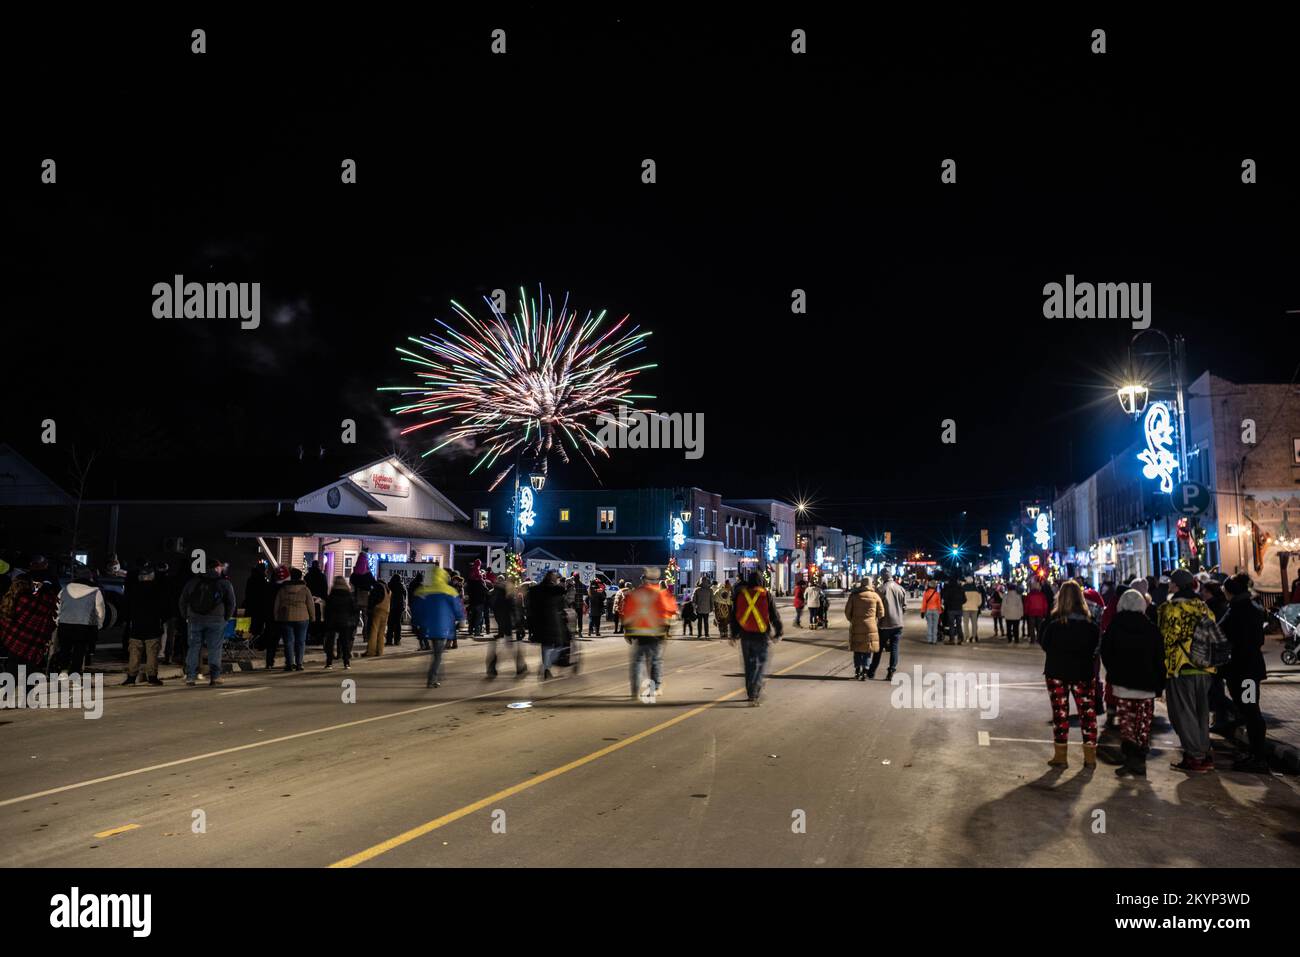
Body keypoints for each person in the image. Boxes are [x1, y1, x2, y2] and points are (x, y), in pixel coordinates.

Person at [1158, 568, 1219, 773]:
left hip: (1180, 667)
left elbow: (1166, 638)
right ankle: (1204, 752)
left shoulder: (1170, 608)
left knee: (1183, 714)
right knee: (1202, 713)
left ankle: (1195, 756)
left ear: (1176, 585)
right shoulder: (1203, 607)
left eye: (1171, 582)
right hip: (1204, 666)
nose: (1169, 585)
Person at [1100, 588, 1165, 777]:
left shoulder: (1115, 627)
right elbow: (1159, 658)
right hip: (1146, 686)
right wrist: (1160, 683)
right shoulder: (1151, 628)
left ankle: (1130, 759)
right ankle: (1140, 760)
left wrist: (1114, 671)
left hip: (1122, 685)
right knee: (1143, 724)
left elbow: (1106, 653)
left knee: (1127, 724)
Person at [1039, 580, 1102, 768]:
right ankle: (1090, 757)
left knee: (1060, 714)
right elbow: (1095, 647)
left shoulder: (1053, 621)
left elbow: (1044, 643)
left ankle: (1061, 756)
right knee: (1088, 715)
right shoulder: (1090, 623)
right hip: (1083, 672)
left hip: (1057, 671)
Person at [1218, 573, 1269, 773]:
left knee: (1250, 710)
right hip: (1249, 668)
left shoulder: (1237, 611)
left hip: (1244, 670)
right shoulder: (1253, 608)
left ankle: (1258, 756)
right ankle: (1255, 753)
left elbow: (1222, 633)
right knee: (1248, 709)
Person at [623, 567, 677, 703]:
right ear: (657, 580)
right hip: (656, 634)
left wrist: (627, 632)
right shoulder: (662, 594)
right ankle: (653, 690)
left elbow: (628, 614)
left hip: (638, 634)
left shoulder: (635, 593)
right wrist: (667, 630)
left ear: (644, 579)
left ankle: (634, 692)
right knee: (655, 662)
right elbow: (671, 612)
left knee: (637, 663)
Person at [180, 561, 237, 686]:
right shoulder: (224, 583)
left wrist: (187, 617)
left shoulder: (193, 582)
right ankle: (215, 677)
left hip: (195, 620)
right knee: (214, 648)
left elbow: (183, 601)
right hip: (216, 620)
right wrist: (225, 618)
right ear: (216, 568)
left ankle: (190, 677)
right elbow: (231, 603)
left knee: (194, 648)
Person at [730, 569, 782, 705]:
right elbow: (774, 615)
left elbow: (734, 615)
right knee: (762, 663)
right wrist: (778, 631)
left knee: (749, 665)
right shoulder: (765, 594)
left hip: (745, 634)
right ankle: (756, 689)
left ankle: (750, 693)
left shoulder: (741, 594)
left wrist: (733, 634)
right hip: (761, 635)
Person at [410, 566, 465, 688]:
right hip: (442, 627)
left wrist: (414, 624)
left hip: (426, 626)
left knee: (437, 652)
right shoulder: (449, 592)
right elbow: (457, 608)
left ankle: (438, 674)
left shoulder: (423, 591)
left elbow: (416, 610)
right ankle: (432, 679)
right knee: (437, 654)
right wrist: (461, 620)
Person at [0, 576, 59, 675]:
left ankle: (9, 688)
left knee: (12, 667)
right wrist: (44, 587)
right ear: (30, 585)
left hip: (13, 642)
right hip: (33, 644)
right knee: (29, 671)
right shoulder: (38, 601)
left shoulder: (11, 599)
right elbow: (50, 601)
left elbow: (6, 622)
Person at [56, 568, 105, 681]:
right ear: (90, 578)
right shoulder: (95, 591)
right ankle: (75, 674)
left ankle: (63, 671)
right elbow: (100, 610)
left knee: (65, 648)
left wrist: (57, 620)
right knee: (79, 650)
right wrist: (99, 624)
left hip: (65, 623)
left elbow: (58, 606)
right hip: (85, 625)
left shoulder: (64, 589)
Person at [122, 563, 166, 686]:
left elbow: (126, 607)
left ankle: (131, 677)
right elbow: (163, 608)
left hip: (136, 625)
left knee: (134, 652)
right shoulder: (158, 589)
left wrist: (128, 620)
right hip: (153, 625)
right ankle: (152, 677)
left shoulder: (133, 589)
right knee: (152, 652)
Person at [527, 570, 570, 680]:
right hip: (551, 621)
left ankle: (546, 669)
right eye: (555, 577)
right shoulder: (554, 589)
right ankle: (546, 666)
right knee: (559, 645)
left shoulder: (537, 590)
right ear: (552, 578)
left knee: (545, 646)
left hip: (539, 622)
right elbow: (561, 594)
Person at [273, 567, 315, 672]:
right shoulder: (305, 589)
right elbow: (310, 604)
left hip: (286, 617)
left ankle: (289, 664)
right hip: (302, 617)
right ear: (300, 577)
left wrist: (276, 616)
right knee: (300, 641)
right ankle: (299, 663)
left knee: (288, 642)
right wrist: (312, 616)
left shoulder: (283, 589)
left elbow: (276, 604)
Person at [844, 578, 884, 681]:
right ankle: (865, 671)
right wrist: (874, 618)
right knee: (868, 649)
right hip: (871, 626)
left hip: (857, 625)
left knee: (857, 649)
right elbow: (881, 613)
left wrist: (852, 620)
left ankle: (857, 671)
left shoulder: (854, 595)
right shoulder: (875, 596)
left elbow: (847, 612)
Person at [486, 577, 527, 678]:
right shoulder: (509, 593)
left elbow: (491, 604)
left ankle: (492, 665)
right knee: (510, 644)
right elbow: (513, 609)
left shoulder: (496, 592)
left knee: (507, 644)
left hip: (499, 619)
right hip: (507, 621)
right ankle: (519, 666)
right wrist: (519, 624)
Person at [872, 570, 908, 680]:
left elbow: (876, 606)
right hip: (898, 623)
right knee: (894, 648)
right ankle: (891, 671)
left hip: (885, 623)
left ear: (883, 577)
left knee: (879, 648)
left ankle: (872, 671)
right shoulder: (900, 588)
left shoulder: (881, 589)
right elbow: (904, 607)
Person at [322, 576, 358, 670]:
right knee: (344, 642)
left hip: (332, 621)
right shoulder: (349, 596)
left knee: (330, 642)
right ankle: (346, 662)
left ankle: (329, 662)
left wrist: (326, 621)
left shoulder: (331, 596)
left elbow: (327, 610)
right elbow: (354, 609)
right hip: (345, 621)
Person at [349, 554, 376, 642]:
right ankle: (366, 636)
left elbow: (351, 584)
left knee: (355, 619)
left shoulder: (354, 574)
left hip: (355, 598)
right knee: (366, 620)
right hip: (366, 598)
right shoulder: (368, 574)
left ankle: (352, 635)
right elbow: (374, 584)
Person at [364, 577, 391, 658]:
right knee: (381, 632)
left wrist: (370, 607)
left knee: (374, 631)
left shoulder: (378, 586)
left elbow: (373, 598)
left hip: (378, 610)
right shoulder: (387, 588)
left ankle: (371, 651)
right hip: (386, 611)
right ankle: (379, 651)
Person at [466, 560, 490, 637]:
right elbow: (486, 590)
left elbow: (468, 590)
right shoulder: (480, 582)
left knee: (472, 617)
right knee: (478, 618)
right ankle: (477, 632)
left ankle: (470, 630)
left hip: (472, 601)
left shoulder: (470, 581)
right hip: (479, 602)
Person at [941, 575, 966, 644]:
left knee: (951, 625)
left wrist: (948, 604)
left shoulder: (949, 589)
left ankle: (952, 640)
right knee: (959, 624)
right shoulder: (960, 588)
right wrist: (960, 603)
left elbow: (945, 599)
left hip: (951, 609)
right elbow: (965, 599)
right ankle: (960, 638)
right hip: (959, 609)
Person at [1023, 579, 1048, 644]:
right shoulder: (1042, 595)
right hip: (1040, 612)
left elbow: (1027, 604)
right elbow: (1045, 604)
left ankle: (1032, 639)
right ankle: (1039, 639)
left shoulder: (1029, 595)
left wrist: (1026, 612)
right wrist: (1045, 612)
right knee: (1039, 627)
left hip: (1031, 612)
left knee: (1032, 627)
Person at [386, 572, 407, 646]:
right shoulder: (402, 586)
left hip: (391, 606)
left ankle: (389, 640)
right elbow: (405, 595)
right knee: (398, 624)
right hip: (399, 607)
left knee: (390, 623)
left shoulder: (389, 585)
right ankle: (397, 640)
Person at [921, 579, 943, 644]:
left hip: (928, 610)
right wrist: (940, 611)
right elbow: (939, 603)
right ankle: (934, 640)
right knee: (935, 626)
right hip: (936, 610)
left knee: (929, 625)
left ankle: (929, 640)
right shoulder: (937, 594)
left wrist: (922, 611)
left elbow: (924, 603)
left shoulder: (926, 593)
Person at [962, 578, 984, 642]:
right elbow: (980, 601)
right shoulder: (977, 590)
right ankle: (974, 637)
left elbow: (961, 599)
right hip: (974, 608)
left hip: (965, 608)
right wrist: (976, 605)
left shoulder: (963, 589)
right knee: (974, 623)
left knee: (966, 623)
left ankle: (967, 637)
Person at [570, 572, 588, 638]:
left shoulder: (572, 585)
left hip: (573, 606)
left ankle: (573, 633)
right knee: (580, 620)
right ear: (579, 577)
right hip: (580, 605)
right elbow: (586, 593)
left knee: (573, 620)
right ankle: (580, 632)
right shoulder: (582, 585)